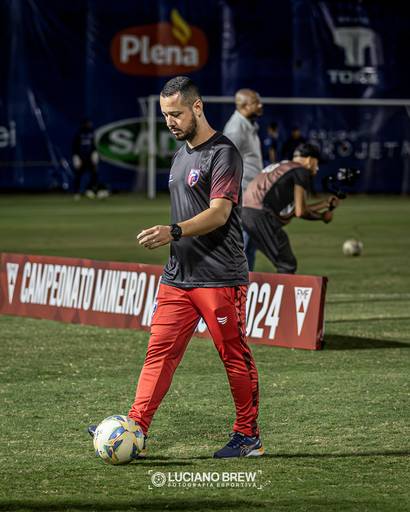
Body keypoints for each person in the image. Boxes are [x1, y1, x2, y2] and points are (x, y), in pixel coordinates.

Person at [89, 77, 263, 459]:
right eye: (165, 115)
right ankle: (135, 428)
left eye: (176, 114)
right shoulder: (180, 155)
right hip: (177, 277)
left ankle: (248, 436)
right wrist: (175, 239)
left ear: (197, 107)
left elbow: (219, 214)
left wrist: (173, 231)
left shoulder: (224, 153)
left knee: (233, 356)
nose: (170, 121)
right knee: (159, 353)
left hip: (219, 276)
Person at [241, 143, 339, 274]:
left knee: (245, 261)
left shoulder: (283, 167)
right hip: (260, 215)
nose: (317, 167)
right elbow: (300, 212)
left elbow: (293, 210)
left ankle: (239, 286)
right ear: (310, 160)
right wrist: (321, 217)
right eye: (317, 162)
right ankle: (279, 289)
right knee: (287, 263)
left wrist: (324, 204)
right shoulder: (301, 171)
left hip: (244, 212)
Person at [223, 89, 264, 272]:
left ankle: (244, 281)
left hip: (252, 194)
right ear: (244, 105)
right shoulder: (235, 129)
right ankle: (237, 282)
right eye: (256, 102)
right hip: (242, 194)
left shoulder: (248, 125)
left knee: (250, 244)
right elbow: (225, 163)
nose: (260, 105)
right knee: (243, 245)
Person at [72, 119, 108, 200]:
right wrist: (76, 157)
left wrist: (95, 155)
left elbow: (94, 146)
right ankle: (76, 192)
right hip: (81, 158)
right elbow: (75, 146)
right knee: (78, 175)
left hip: (90, 158)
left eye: (90, 123)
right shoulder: (79, 134)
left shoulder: (92, 133)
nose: (89, 125)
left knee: (94, 174)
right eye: (88, 124)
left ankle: (91, 190)